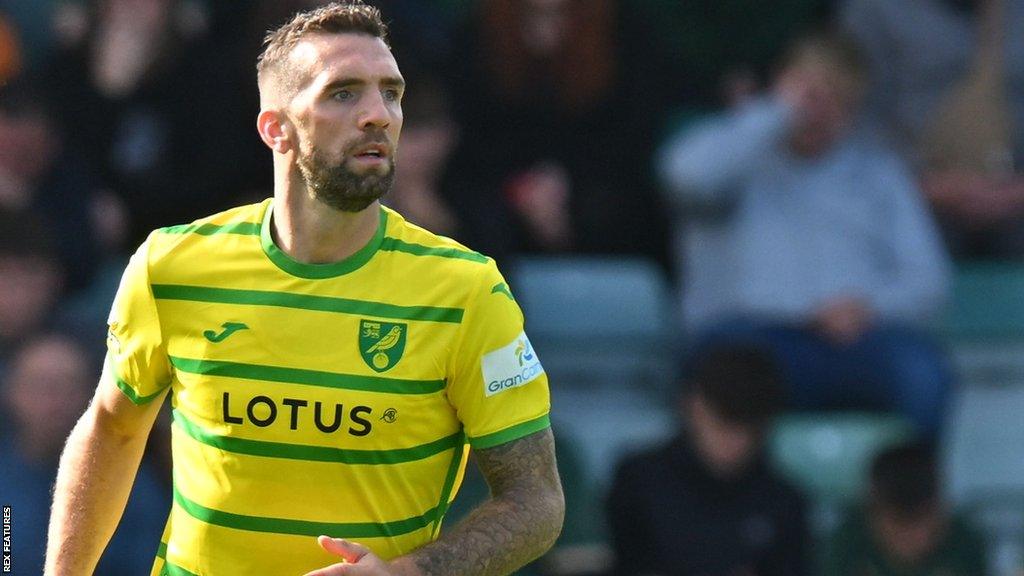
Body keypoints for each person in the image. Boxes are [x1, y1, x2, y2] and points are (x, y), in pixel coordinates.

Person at [44, 3, 564, 575]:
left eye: (391, 93)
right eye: (343, 93)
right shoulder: (173, 265)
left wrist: (409, 573)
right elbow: (111, 431)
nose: (378, 115)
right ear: (276, 129)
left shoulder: (468, 291)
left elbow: (535, 501)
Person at [658, 31, 953, 438]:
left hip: (854, 342)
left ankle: (907, 501)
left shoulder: (879, 173)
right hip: (749, 337)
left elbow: (929, 280)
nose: (818, 111)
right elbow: (683, 177)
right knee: (724, 370)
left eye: (836, 98)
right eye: (809, 95)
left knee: (923, 372)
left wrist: (868, 308)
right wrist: (775, 114)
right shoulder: (736, 155)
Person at [606, 345, 810, 575]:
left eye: (749, 428)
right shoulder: (638, 482)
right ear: (694, 406)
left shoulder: (783, 502)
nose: (735, 440)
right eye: (723, 422)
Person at [0, 333, 169, 575]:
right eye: (39, 385)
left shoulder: (130, 485)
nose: (54, 401)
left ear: (92, 395)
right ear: (11, 392)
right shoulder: (5, 480)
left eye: (68, 385)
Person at [824, 441, 988, 576]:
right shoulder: (846, 546)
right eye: (897, 528)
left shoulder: (964, 545)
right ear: (871, 515)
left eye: (917, 526)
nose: (908, 539)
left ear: (941, 513)